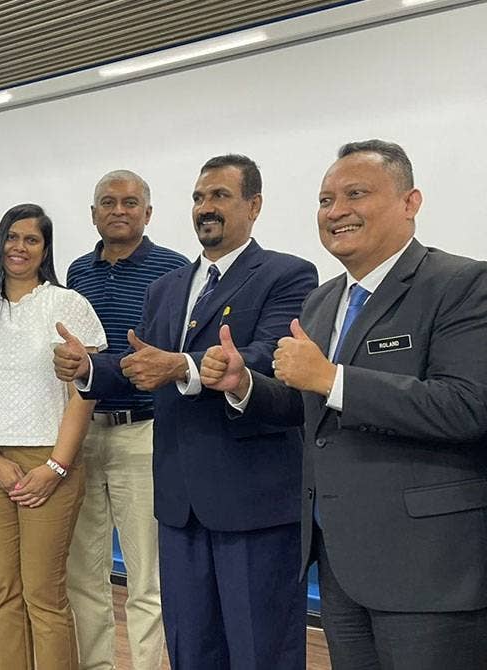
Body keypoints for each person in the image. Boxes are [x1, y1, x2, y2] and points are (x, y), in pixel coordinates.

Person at [202, 140, 487, 669]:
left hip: (428, 568)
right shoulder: (323, 298)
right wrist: (246, 386)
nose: (336, 211)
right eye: (325, 199)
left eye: (356, 194)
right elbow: (309, 406)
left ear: (410, 202)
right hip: (338, 560)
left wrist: (334, 378)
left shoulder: (462, 284)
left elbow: (468, 406)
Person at [55, 155, 318, 669]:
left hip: (250, 501)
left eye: (220, 195)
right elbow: (142, 367)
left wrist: (183, 366)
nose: (206, 208)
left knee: (259, 648)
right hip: (178, 500)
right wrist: (89, 368)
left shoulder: (287, 273)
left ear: (254, 205)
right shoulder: (168, 288)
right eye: (199, 198)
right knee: (192, 647)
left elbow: (270, 357)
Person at [0, 203, 105, 670]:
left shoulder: (68, 304)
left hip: (51, 461)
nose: (19, 248)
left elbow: (86, 391)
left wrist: (56, 467)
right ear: (0, 245)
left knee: (43, 592)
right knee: (5, 590)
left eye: (31, 240)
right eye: (12, 238)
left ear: (45, 249)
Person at [64, 170, 187, 670]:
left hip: (145, 433)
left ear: (148, 213)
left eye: (130, 202)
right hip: (83, 433)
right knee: (84, 575)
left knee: (146, 578)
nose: (119, 210)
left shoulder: (175, 269)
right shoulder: (75, 272)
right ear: (94, 214)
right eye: (108, 202)